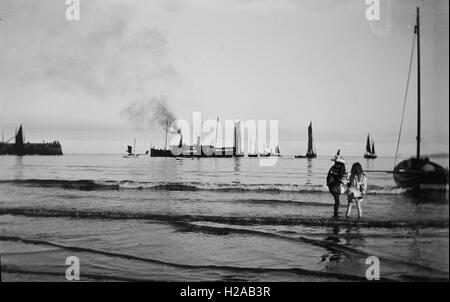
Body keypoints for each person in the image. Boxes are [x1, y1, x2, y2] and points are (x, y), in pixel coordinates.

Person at [327, 150, 347, 218]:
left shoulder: (334, 168)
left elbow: (331, 178)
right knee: (337, 202)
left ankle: (336, 213)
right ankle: (335, 214)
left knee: (337, 201)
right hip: (334, 186)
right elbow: (340, 177)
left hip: (333, 186)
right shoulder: (338, 168)